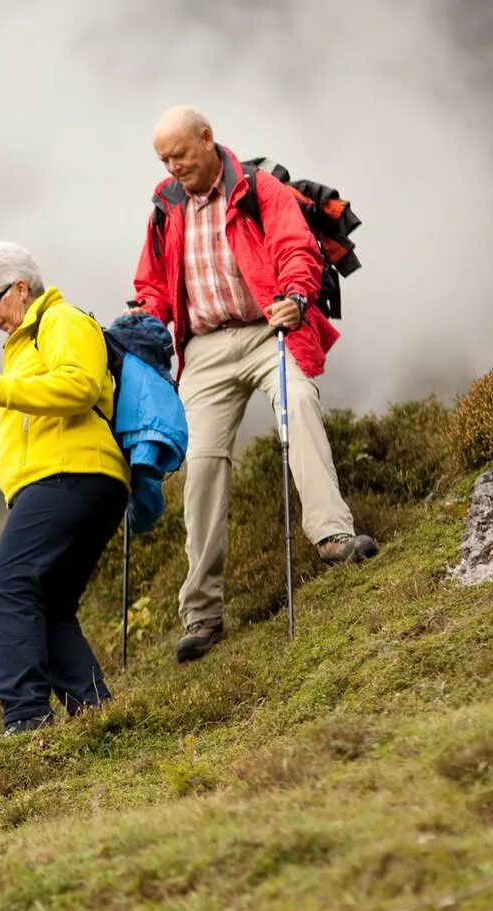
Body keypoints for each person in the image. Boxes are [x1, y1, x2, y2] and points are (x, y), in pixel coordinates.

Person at [132, 105, 377, 663]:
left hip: (270, 327)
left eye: (180, 155)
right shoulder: (166, 208)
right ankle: (201, 614)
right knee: (200, 461)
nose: (173, 168)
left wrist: (294, 296)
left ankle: (332, 536)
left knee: (299, 404)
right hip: (206, 349)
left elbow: (295, 249)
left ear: (207, 138)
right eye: (163, 160)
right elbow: (153, 286)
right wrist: (141, 321)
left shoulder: (258, 188)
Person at [0, 242, 129, 736]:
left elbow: (78, 387)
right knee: (50, 603)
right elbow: (42, 416)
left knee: (10, 585)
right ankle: (95, 712)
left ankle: (27, 715)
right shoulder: (24, 343)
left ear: (19, 287)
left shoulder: (62, 321)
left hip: (72, 477)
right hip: (69, 478)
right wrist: (5, 453)